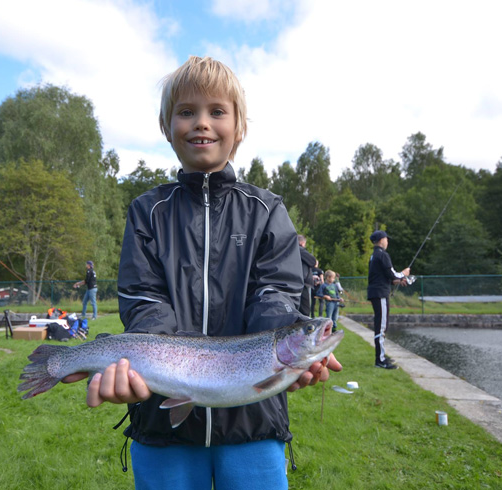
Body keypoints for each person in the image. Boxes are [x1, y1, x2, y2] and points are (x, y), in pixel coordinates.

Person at [62, 56, 341, 489]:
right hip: (162, 427)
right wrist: (147, 368)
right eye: (186, 112)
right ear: (166, 125)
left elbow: (277, 295)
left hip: (255, 426)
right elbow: (143, 300)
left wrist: (292, 345)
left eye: (217, 111)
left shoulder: (268, 211)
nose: (201, 123)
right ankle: (58, 362)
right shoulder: (146, 212)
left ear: (240, 127)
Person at [367, 230, 410, 369]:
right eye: (386, 239)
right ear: (381, 240)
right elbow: (392, 273)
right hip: (380, 294)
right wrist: (403, 274)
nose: (388, 242)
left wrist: (397, 281)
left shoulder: (374, 256)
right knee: (381, 326)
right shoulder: (383, 255)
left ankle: (381, 356)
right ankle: (380, 360)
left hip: (377, 291)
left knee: (381, 325)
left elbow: (383, 276)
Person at [297, 235, 318, 316]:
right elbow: (313, 261)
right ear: (302, 243)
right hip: (303, 283)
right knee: (305, 311)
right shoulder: (300, 249)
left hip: (298, 281)